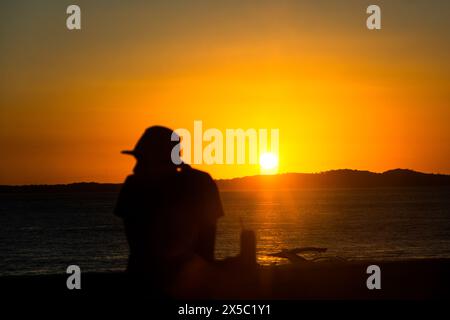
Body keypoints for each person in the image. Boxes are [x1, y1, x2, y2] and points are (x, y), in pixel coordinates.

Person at [114, 126, 224, 296]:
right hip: (194, 284)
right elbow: (207, 246)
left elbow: (138, 245)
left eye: (142, 160)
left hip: (147, 284)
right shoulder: (201, 183)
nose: (135, 168)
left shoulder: (135, 187)